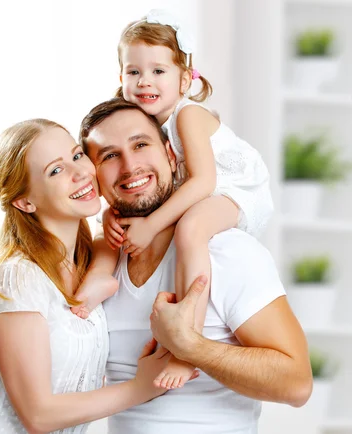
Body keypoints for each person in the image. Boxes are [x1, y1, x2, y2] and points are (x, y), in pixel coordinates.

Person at [78, 97, 312, 433]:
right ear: (95, 177)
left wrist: (190, 346)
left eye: (141, 144)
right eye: (110, 156)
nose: (130, 166)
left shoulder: (227, 251)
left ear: (172, 157)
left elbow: (297, 383)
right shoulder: (99, 266)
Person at [71, 9, 274, 390]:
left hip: (236, 189)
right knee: (127, 226)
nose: (145, 81)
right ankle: (101, 282)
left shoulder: (187, 116)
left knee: (191, 230)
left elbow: (202, 182)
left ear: (185, 79)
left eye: (158, 71)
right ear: (120, 78)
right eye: (134, 72)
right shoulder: (148, 123)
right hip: (203, 190)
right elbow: (143, 189)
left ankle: (186, 344)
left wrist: (150, 224)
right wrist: (112, 215)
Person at [0, 118, 199, 434]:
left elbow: (107, 242)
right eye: (55, 171)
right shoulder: (18, 277)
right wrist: (142, 387)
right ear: (25, 201)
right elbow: (38, 415)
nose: (80, 173)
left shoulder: (89, 262)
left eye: (77, 156)